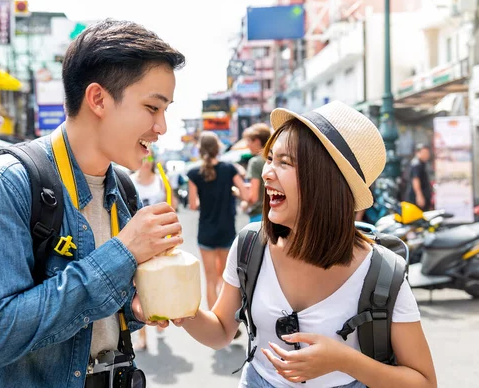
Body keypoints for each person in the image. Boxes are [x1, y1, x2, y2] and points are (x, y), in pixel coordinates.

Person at [0, 19, 185, 387]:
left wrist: (137, 309)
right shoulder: (2, 185)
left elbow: (95, 318)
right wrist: (124, 252)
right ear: (98, 99)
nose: (163, 127)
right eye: (153, 108)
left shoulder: (122, 190)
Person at [175, 101, 436, 388]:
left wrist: (344, 360)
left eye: (284, 163)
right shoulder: (251, 245)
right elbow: (222, 331)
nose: (266, 173)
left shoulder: (382, 272)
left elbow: (424, 382)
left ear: (325, 180)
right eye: (270, 158)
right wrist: (179, 307)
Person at [187, 132, 247, 309]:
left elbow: (192, 204)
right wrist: (233, 193)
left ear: (200, 150)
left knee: (210, 280)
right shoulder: (229, 169)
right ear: (218, 148)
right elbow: (245, 194)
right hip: (226, 229)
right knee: (226, 277)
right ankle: (226, 316)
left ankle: (214, 319)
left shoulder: (193, 173)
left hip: (206, 231)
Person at [130, 153, 168, 351]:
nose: (146, 162)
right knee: (138, 286)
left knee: (160, 282)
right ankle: (142, 336)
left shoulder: (160, 181)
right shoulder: (128, 181)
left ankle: (161, 317)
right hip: (138, 241)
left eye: (149, 159)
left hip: (160, 240)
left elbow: (171, 206)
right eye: (144, 159)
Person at [242, 123, 272, 223]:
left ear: (257, 141)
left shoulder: (255, 162)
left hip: (259, 217)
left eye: (249, 141)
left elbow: (253, 197)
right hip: (275, 214)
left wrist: (243, 201)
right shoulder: (275, 159)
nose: (247, 144)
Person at [404, 143, 432, 210]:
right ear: (418, 153)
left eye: (427, 153)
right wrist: (419, 196)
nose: (427, 155)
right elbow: (415, 180)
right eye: (424, 152)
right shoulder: (416, 164)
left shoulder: (422, 163)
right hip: (416, 199)